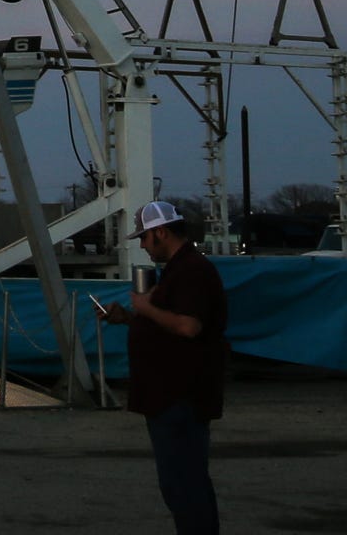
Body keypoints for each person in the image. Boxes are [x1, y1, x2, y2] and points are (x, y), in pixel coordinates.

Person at [100, 200, 227, 535]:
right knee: (182, 484)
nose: (142, 245)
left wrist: (144, 307)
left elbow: (188, 327)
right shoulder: (179, 270)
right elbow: (170, 327)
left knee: (184, 484)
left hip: (179, 398)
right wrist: (128, 318)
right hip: (170, 397)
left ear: (161, 232)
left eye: (144, 237)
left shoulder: (192, 271)